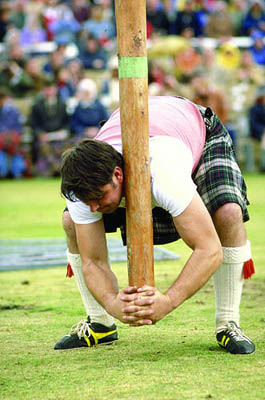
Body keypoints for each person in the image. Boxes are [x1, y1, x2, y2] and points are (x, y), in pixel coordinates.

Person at [55, 95, 255, 355]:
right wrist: (112, 302)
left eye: (99, 197)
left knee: (228, 213)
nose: (93, 207)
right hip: (139, 129)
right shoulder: (84, 185)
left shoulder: (164, 171)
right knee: (71, 221)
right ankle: (100, 323)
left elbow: (209, 249)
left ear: (118, 174)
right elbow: (93, 261)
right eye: (86, 201)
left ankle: (228, 322)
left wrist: (168, 301)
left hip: (195, 131)